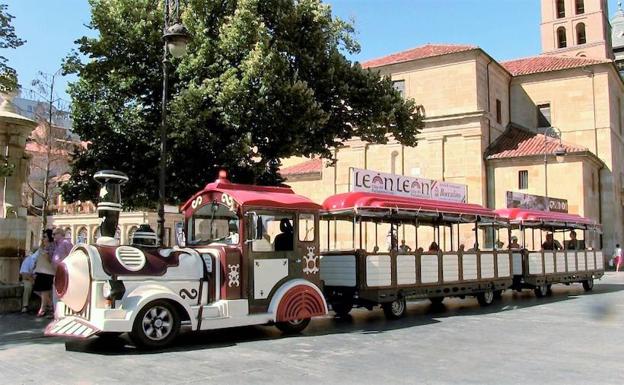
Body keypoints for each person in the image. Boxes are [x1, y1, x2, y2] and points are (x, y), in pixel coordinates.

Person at [33, 230, 55, 318]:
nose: (43, 238)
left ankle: (42, 309)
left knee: (44, 291)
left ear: (49, 237)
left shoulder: (52, 246)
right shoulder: (42, 246)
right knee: (37, 290)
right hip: (39, 270)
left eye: (45, 236)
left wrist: (46, 255)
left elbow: (52, 260)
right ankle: (51, 306)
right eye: (43, 236)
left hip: (48, 272)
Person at [19, 247, 38, 313]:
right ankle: (25, 306)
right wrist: (32, 280)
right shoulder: (28, 260)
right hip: (28, 278)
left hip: (39, 279)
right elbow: (24, 274)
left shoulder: (43, 260)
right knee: (28, 287)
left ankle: (48, 306)